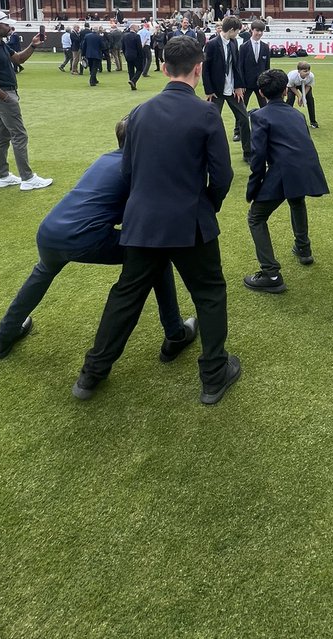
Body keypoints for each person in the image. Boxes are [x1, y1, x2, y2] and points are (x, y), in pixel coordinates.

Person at [73, 36, 240, 406]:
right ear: (199, 69)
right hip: (189, 222)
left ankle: (91, 373)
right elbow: (223, 175)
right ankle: (213, 375)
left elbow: (128, 171)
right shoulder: (206, 113)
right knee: (209, 294)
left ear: (164, 68)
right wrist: (206, 206)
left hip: (144, 221)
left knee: (126, 296)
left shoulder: (139, 112)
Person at [0, 116, 197, 364]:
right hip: (85, 237)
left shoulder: (105, 158)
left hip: (50, 230)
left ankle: (3, 336)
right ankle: (175, 333)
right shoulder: (137, 169)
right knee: (156, 257)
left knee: (42, 272)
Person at [243, 68, 329, 292]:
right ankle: (303, 249)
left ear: (261, 93)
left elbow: (258, 157)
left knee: (255, 217)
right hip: (306, 168)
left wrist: (253, 188)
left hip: (285, 170)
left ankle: (271, 274)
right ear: (284, 90)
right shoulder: (297, 115)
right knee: (296, 200)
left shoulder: (259, 116)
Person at [0, 9, 52, 191]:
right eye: (6, 24)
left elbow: (19, 59)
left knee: (3, 136)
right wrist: (5, 98)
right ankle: (27, 179)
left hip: (6, 95)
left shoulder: (1, 44)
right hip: (3, 95)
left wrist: (33, 45)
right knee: (19, 135)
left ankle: (2, 175)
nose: (9, 27)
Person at [202, 16, 251, 160]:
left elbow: (236, 66)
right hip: (216, 91)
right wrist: (209, 90)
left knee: (243, 119)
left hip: (232, 89)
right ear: (231, 30)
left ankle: (248, 153)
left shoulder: (234, 42)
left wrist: (239, 86)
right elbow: (206, 70)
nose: (238, 34)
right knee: (211, 123)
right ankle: (207, 155)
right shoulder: (211, 44)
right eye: (237, 31)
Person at [239, 18, 271, 111]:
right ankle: (240, 126)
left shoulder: (265, 47)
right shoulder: (243, 47)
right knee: (241, 109)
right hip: (246, 84)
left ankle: (267, 125)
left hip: (261, 84)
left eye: (261, 31)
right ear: (252, 30)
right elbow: (240, 67)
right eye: (257, 30)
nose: (259, 33)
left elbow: (267, 67)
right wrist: (241, 84)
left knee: (265, 108)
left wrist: (266, 83)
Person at [287, 61, 318, 127]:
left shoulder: (311, 76)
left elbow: (308, 86)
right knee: (290, 99)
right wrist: (299, 96)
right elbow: (291, 86)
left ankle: (313, 122)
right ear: (299, 71)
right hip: (292, 86)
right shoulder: (292, 76)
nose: (307, 73)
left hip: (305, 85)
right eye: (305, 71)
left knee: (310, 99)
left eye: (308, 70)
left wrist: (303, 96)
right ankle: (286, 120)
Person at [123, 24, 143, 89]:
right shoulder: (137, 36)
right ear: (133, 28)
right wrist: (141, 56)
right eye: (137, 28)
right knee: (140, 69)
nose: (138, 29)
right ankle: (133, 81)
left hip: (127, 55)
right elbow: (139, 47)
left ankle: (133, 85)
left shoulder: (125, 36)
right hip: (136, 55)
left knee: (131, 70)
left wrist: (125, 53)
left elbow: (123, 47)